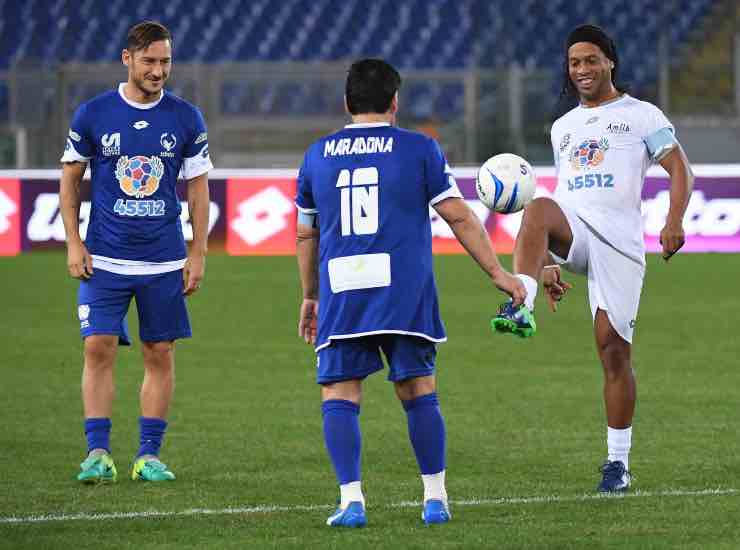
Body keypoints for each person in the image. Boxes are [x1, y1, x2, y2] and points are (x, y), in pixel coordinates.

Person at [295, 58, 525, 527]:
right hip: (404, 292)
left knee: (340, 392)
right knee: (418, 389)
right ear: (395, 102)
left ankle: (351, 501)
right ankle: (435, 498)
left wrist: (310, 295)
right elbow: (458, 215)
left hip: (343, 290)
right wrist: (498, 272)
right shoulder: (420, 149)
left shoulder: (316, 155)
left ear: (347, 102)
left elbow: (305, 234)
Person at [492, 24, 693, 492]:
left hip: (620, 243)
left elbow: (679, 167)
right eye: (574, 62)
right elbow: (563, 197)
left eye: (590, 60)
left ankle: (617, 464)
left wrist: (674, 219)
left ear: (610, 62)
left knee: (612, 349)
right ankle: (519, 303)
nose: (581, 69)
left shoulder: (642, 115)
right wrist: (545, 265)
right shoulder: (563, 128)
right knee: (538, 206)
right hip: (578, 232)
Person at [59, 20, 212, 484]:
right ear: (127, 59)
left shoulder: (186, 117)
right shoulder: (93, 114)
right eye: (149, 61)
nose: (158, 70)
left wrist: (199, 250)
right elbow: (70, 178)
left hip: (164, 259)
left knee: (159, 352)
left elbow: (198, 187)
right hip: (103, 258)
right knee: (97, 347)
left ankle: (148, 456)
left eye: (165, 62)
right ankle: (97, 453)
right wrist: (74, 241)